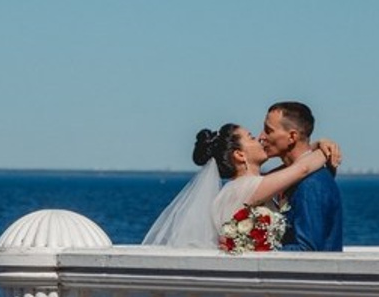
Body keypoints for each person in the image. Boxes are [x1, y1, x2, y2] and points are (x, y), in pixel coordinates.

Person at [143, 123, 340, 250]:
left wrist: (313, 146)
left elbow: (292, 168)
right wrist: (327, 150)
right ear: (239, 155)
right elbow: (302, 169)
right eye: (252, 137)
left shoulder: (241, 187)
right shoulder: (245, 189)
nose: (261, 140)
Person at [259, 102, 343, 251]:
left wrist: (258, 251)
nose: (261, 137)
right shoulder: (289, 177)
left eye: (268, 130)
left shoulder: (311, 184)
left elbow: (307, 250)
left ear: (292, 136)